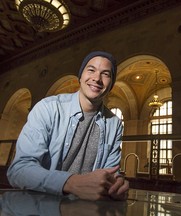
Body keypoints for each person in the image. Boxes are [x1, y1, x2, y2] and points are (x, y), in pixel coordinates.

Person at [7, 51, 129, 201]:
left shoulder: (114, 123)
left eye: (105, 74)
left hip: (84, 208)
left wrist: (116, 185)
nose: (97, 78)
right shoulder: (48, 108)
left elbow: (110, 174)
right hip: (40, 205)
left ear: (111, 84)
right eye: (91, 70)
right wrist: (71, 183)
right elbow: (19, 170)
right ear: (80, 75)